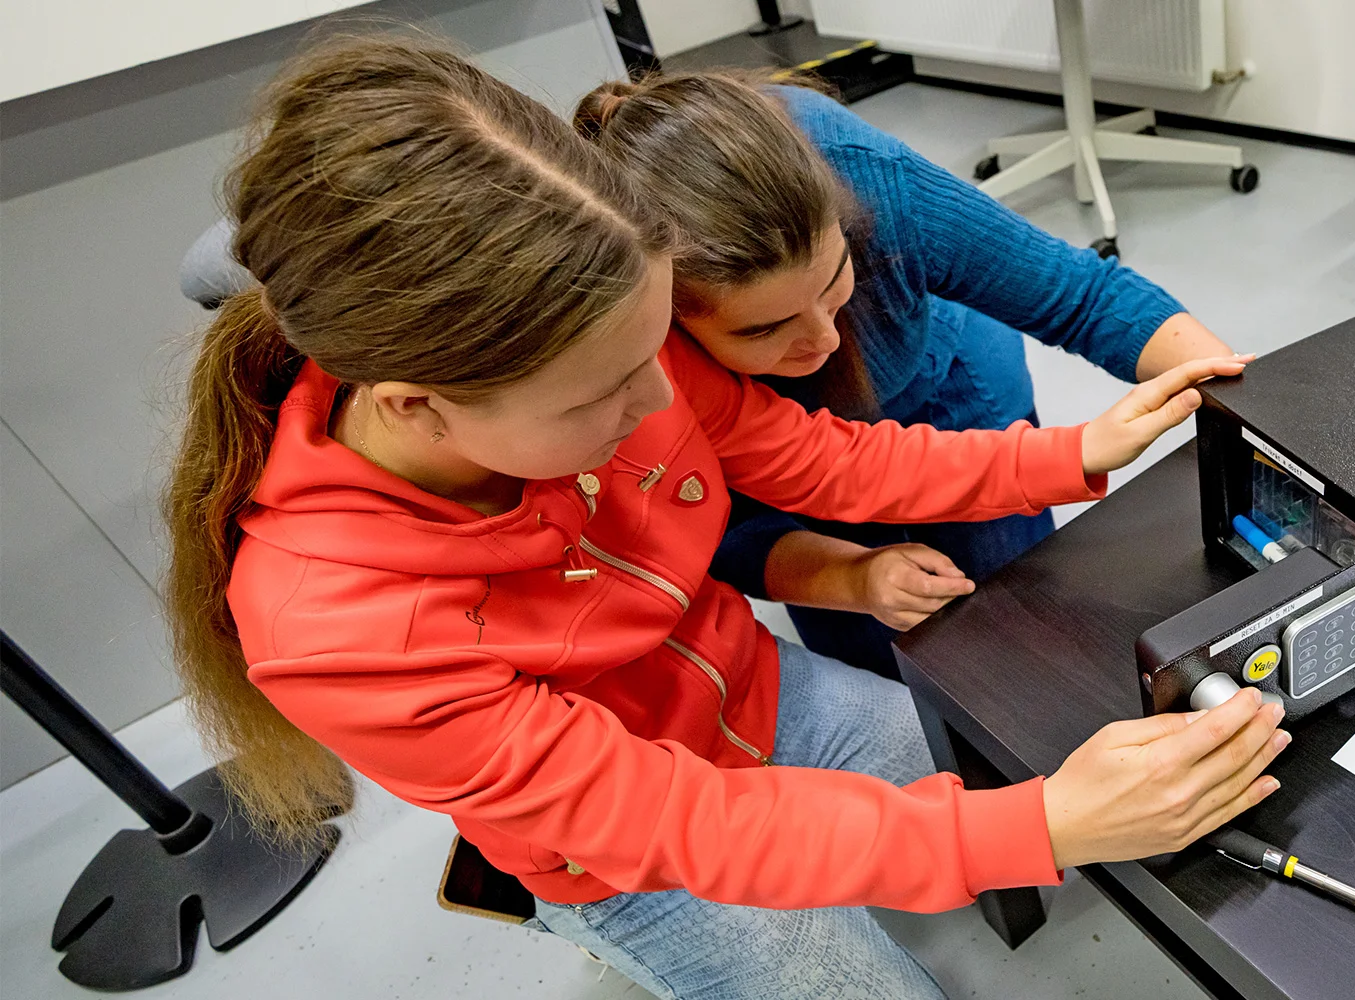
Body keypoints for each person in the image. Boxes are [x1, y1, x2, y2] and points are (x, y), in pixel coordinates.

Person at [162, 36, 1289, 1000]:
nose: (661, 403)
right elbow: (681, 823)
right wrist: (1040, 828)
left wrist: (1072, 451)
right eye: (605, 394)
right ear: (418, 406)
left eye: (656, 356)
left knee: (1004, 756)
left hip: (755, 692)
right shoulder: (335, 629)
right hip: (624, 851)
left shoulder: (605, 337)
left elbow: (820, 457)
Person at [575, 73, 1237, 676]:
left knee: (1025, 640)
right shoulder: (644, 359)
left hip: (948, 412)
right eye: (763, 330)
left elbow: (1078, 294)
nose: (826, 339)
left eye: (836, 283)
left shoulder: (862, 173)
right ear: (665, 324)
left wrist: (1256, 398)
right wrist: (850, 577)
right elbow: (741, 527)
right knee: (891, 668)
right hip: (809, 501)